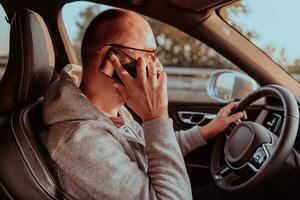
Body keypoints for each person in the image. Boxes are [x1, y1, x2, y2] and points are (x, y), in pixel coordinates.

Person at [42, 9, 244, 200]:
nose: (157, 67)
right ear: (108, 59)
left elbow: (151, 148)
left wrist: (207, 131)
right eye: (147, 55)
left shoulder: (111, 110)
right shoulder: (80, 141)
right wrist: (155, 117)